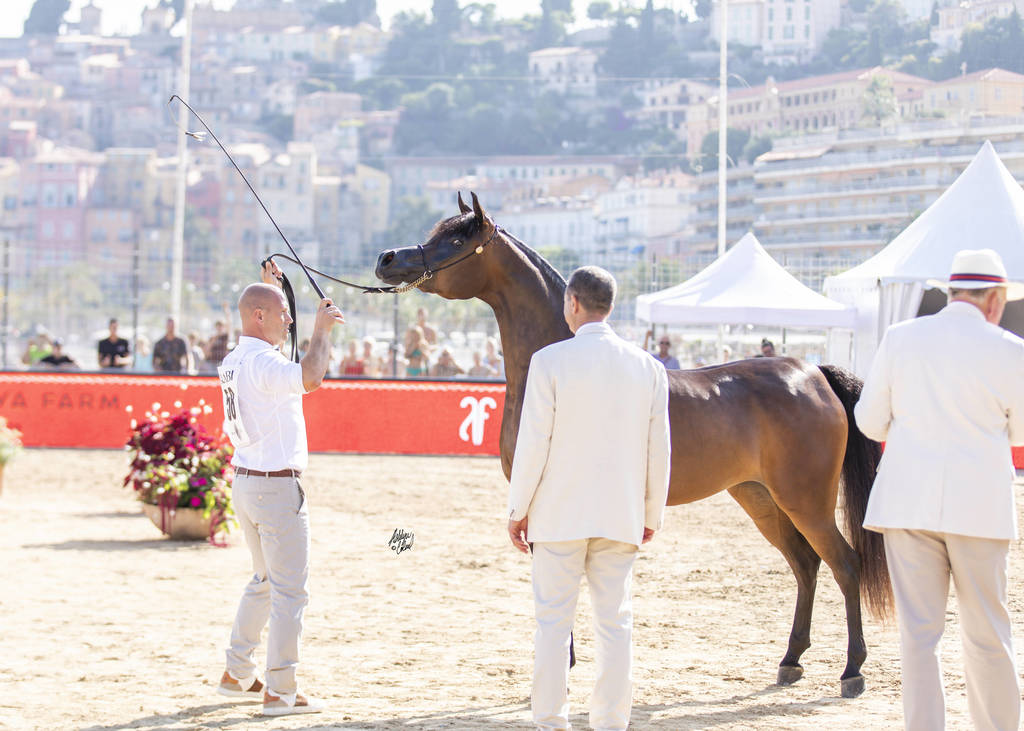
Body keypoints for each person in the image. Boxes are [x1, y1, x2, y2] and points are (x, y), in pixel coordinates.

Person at [854, 248, 1024, 731]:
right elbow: (1021, 434)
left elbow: (868, 421)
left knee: (919, 639)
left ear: (953, 292)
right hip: (980, 508)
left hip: (908, 503)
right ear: (994, 299)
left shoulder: (901, 338)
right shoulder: (1011, 349)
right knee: (989, 634)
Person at [507, 266, 671, 731]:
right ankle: (610, 724)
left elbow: (533, 443)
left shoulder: (550, 361)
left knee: (553, 627)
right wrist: (651, 512)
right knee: (615, 626)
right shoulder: (649, 369)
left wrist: (518, 511)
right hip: (620, 516)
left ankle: (551, 722)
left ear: (573, 303)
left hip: (558, 517)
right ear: (610, 307)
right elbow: (659, 449)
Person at [216, 260, 343, 717]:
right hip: (274, 488)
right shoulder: (265, 363)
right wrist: (321, 329)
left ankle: (237, 671)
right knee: (290, 592)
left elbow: (282, 356)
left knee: (265, 581)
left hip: (247, 482)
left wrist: (275, 291)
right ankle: (280, 691)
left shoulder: (236, 359)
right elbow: (310, 375)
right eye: (281, 313)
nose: (289, 318)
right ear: (259, 318)